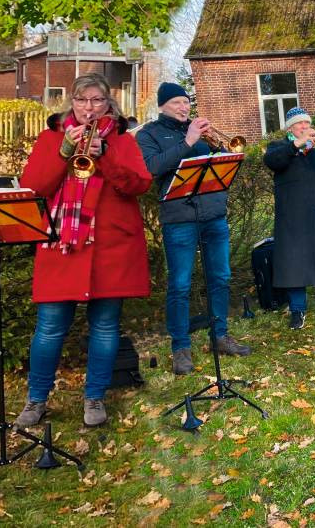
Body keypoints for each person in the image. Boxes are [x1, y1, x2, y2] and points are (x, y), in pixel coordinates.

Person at [14, 73, 152, 429]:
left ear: (108, 103)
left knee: (105, 327)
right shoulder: (51, 137)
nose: (89, 108)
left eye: (97, 100)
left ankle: (95, 397)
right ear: (71, 102)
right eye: (81, 100)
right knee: (49, 327)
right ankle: (36, 399)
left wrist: (105, 156)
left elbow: (139, 184)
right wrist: (64, 152)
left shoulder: (121, 139)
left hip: (110, 247)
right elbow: (33, 187)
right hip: (62, 245)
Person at [136, 82, 251, 376]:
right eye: (177, 102)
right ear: (162, 106)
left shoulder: (199, 134)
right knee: (180, 284)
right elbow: (151, 168)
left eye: (186, 102)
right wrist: (188, 142)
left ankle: (220, 336)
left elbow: (224, 165)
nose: (184, 107)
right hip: (179, 218)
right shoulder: (149, 134)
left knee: (221, 277)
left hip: (213, 215)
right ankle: (180, 348)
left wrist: (220, 147)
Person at [263, 108, 315, 329]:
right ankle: (297, 309)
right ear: (290, 128)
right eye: (300, 124)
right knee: (294, 262)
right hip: (291, 214)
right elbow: (273, 161)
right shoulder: (278, 146)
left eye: (307, 123)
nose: (305, 127)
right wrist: (297, 144)